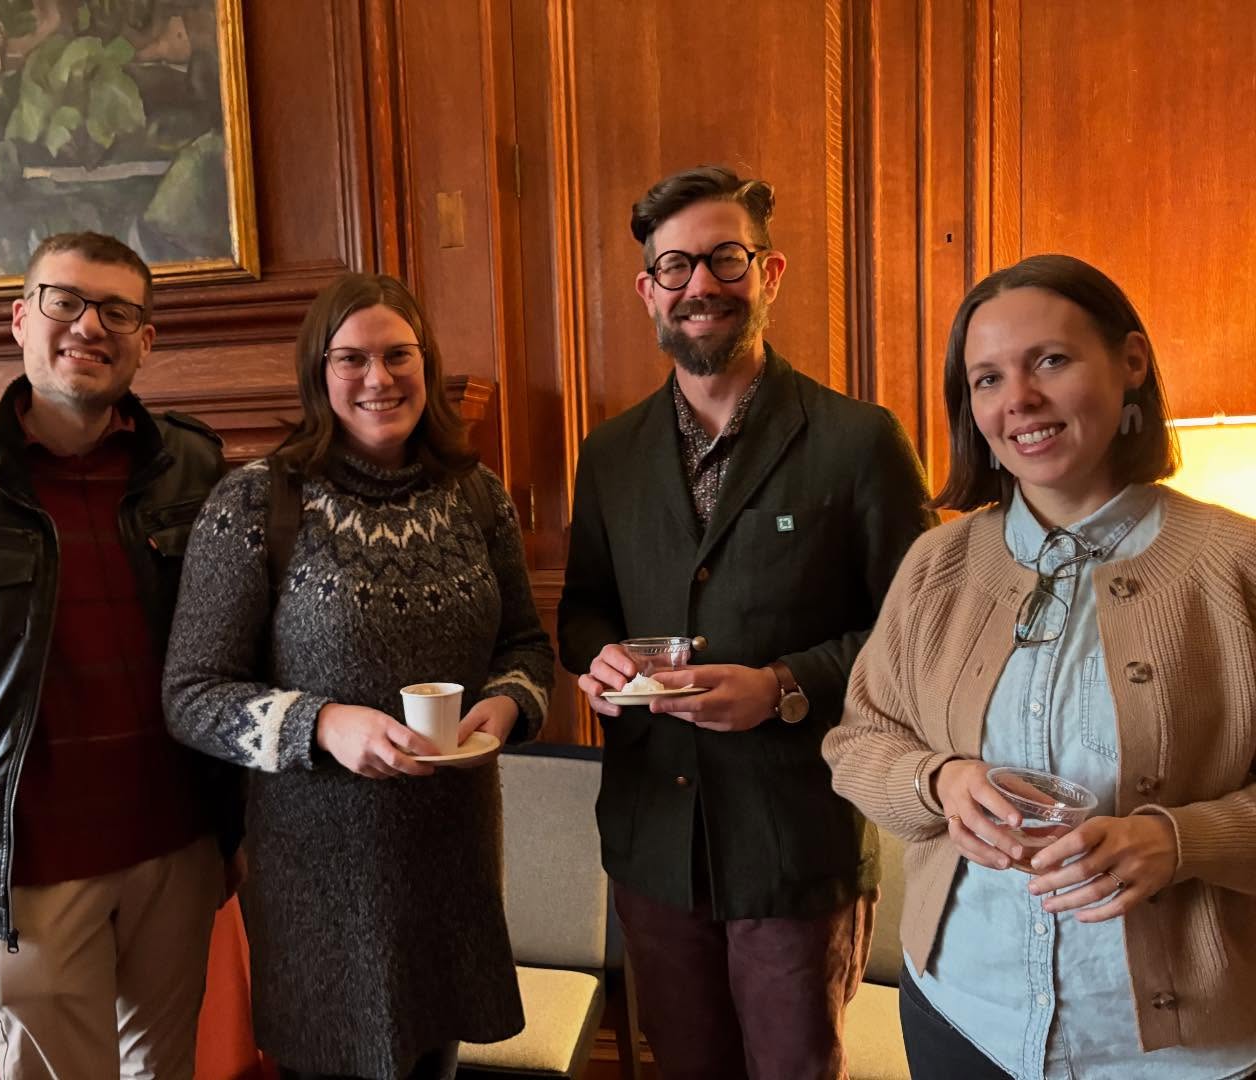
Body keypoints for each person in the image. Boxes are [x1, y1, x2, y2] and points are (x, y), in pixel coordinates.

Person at [823, 254, 1256, 1079]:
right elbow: (859, 742)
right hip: (961, 1012)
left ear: (1131, 362)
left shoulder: (1238, 565)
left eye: (1050, 361)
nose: (1017, 399)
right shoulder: (938, 564)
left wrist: (1180, 841)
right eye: (987, 379)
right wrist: (940, 780)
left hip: (1181, 1054)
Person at [556, 164, 934, 1079]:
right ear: (648, 289)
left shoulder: (860, 441)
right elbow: (583, 610)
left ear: (769, 273)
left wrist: (782, 687)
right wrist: (597, 662)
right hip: (653, 842)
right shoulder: (609, 454)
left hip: (793, 843)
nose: (701, 285)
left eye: (725, 258)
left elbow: (918, 639)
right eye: (675, 266)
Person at [0, 232, 244, 1079]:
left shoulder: (195, 466)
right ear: (21, 319)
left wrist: (239, 831)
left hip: (177, 856)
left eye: (118, 311)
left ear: (146, 339)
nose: (89, 326)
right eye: (65, 302)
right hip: (27, 873)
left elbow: (236, 658)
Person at [163, 271, 554, 1080]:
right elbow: (192, 695)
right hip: (321, 888)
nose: (379, 378)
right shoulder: (255, 504)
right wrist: (322, 723)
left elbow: (524, 646)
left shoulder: (477, 496)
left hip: (451, 865)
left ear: (426, 364)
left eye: (398, 355)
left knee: (435, 1064)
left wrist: (509, 705)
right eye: (352, 359)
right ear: (319, 373)